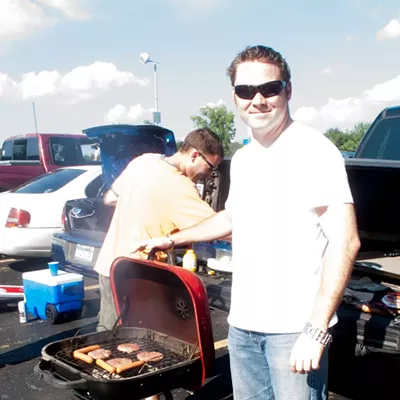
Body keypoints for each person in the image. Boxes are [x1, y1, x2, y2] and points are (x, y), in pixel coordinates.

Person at [131, 45, 361, 400]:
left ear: (288, 90)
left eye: (269, 89)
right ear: (235, 97)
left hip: (293, 330)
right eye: (245, 91)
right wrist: (171, 239)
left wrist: (315, 332)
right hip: (243, 327)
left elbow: (345, 241)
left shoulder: (314, 151)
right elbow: (231, 217)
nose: (258, 100)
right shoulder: (244, 159)